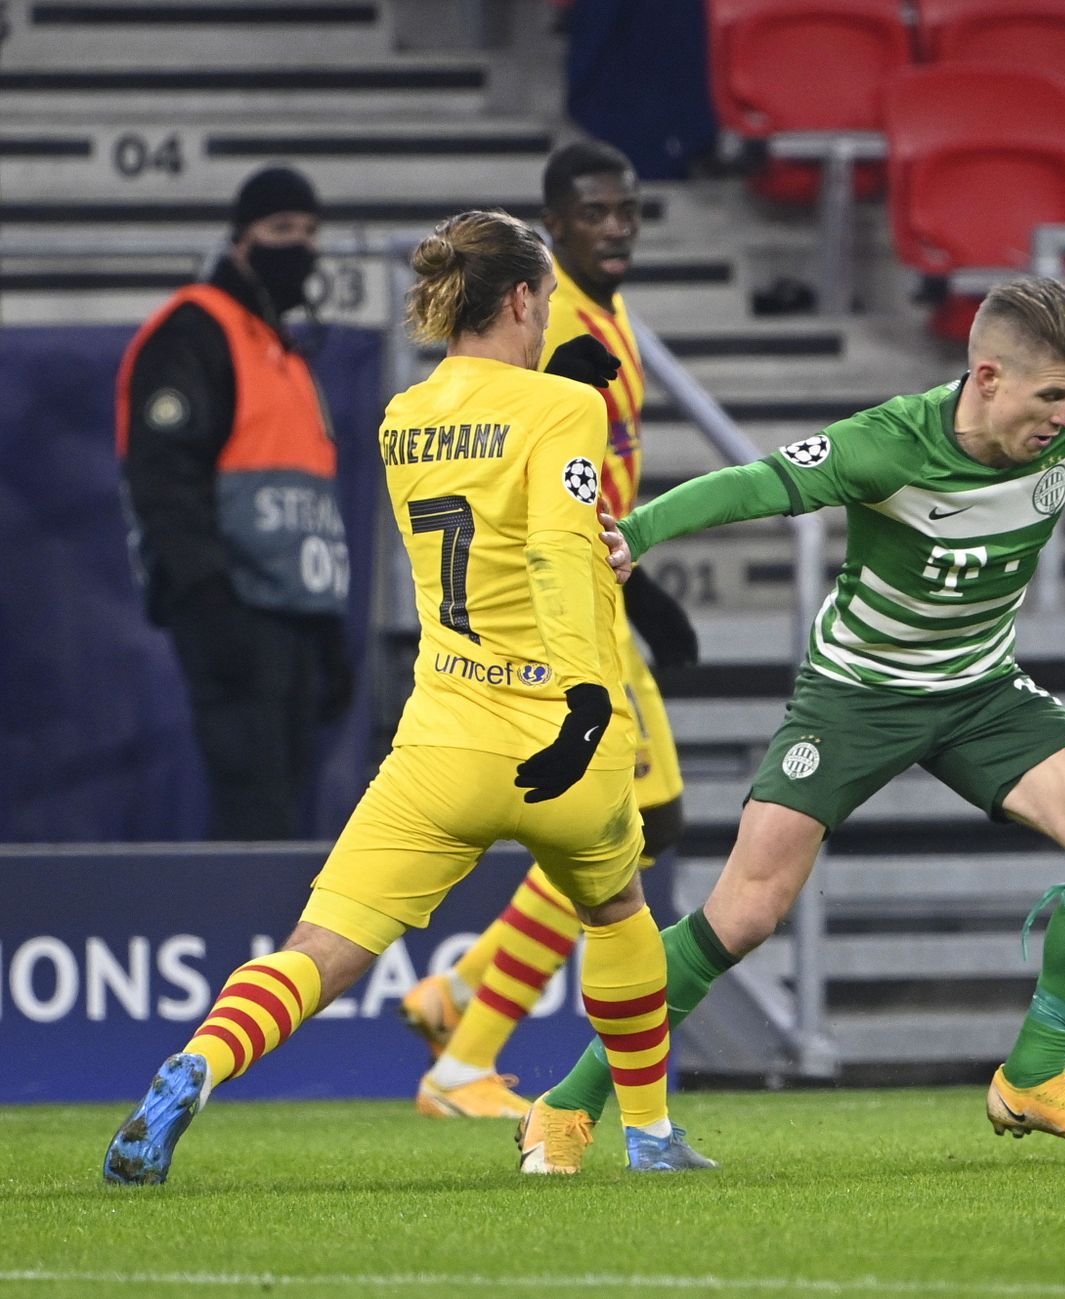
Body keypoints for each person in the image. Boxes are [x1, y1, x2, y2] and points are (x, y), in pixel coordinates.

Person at [513, 273, 1065, 1174]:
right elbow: (758, 482)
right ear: (987, 377)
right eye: (1052, 396)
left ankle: (1034, 1074)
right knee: (743, 914)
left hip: (981, 691)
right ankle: (569, 1102)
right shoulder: (887, 445)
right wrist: (637, 531)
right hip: (855, 696)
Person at [103, 208, 713, 1184]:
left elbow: (488, 466)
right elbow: (556, 553)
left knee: (320, 948)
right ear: (520, 298)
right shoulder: (567, 410)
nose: (553, 314)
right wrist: (588, 702)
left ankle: (195, 1063)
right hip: (560, 731)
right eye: (547, 299)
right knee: (619, 912)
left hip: (441, 738)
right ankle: (647, 1134)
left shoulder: (403, 416)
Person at [399, 140, 701, 1119]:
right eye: (595, 213)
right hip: (568, 598)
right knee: (618, 833)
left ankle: (456, 998)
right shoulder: (550, 314)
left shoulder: (604, 311)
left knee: (646, 827)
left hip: (596, 583)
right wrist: (637, 587)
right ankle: (460, 1061)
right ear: (554, 224)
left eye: (628, 211)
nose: (614, 228)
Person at [116, 164, 352, 840]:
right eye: (281, 229)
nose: (300, 245)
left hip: (298, 616)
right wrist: (206, 597)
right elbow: (163, 478)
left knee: (285, 807)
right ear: (240, 242)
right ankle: (253, 945)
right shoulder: (196, 330)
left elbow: (310, 501)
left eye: (310, 231)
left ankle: (273, 943)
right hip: (235, 606)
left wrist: (329, 627)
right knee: (256, 807)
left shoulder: (288, 353)